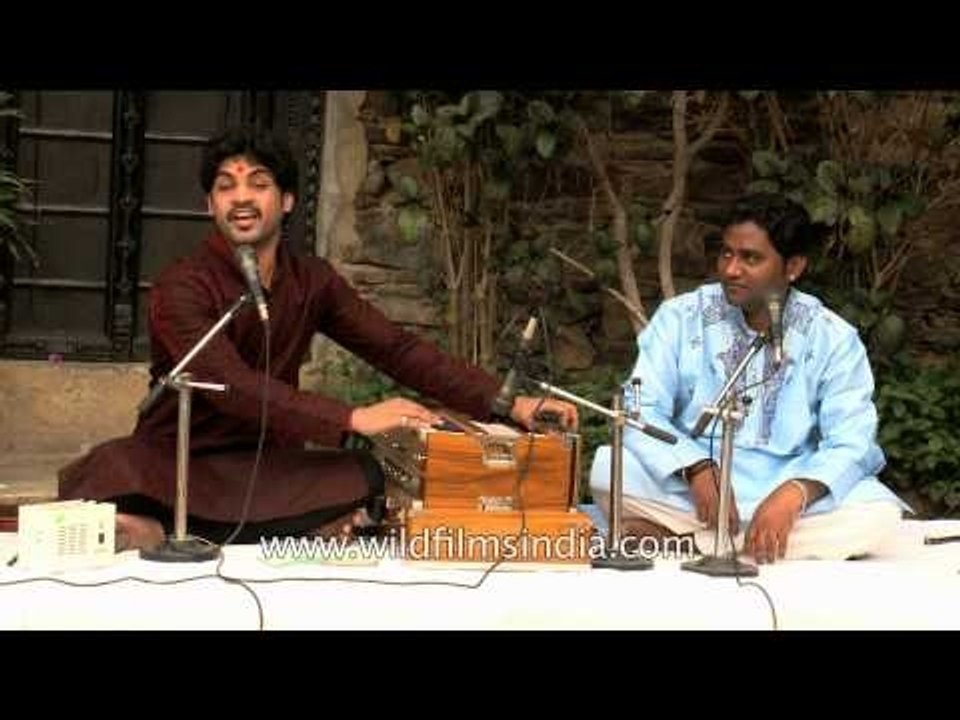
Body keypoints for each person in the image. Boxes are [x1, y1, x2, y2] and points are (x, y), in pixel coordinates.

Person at [58, 125, 577, 550]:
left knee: (366, 473)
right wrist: (350, 417)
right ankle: (228, 528)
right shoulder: (181, 285)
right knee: (113, 469)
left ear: (286, 201)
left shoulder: (313, 281)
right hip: (178, 461)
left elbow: (396, 348)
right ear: (209, 206)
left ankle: (172, 534)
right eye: (225, 185)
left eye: (257, 183)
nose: (241, 197)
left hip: (267, 467)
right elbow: (229, 382)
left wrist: (508, 404)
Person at [589, 193, 908, 564]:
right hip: (692, 489)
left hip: (787, 484)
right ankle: (752, 544)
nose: (730, 270)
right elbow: (640, 409)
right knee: (611, 470)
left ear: (793, 267)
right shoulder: (680, 317)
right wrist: (695, 467)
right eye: (726, 253)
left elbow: (852, 440)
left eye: (750, 258)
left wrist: (793, 494)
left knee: (877, 514)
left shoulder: (832, 337)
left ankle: (692, 542)